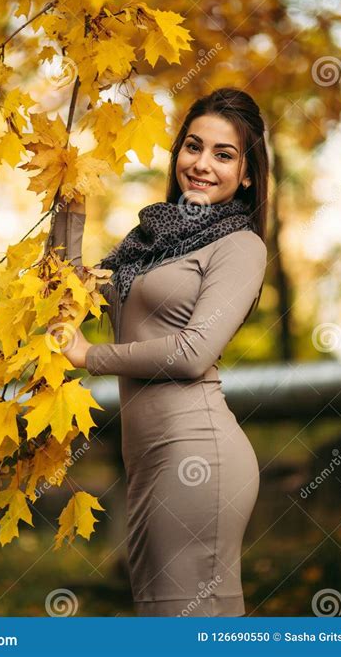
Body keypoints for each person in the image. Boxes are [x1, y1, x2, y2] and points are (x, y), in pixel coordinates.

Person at [48, 87, 269, 616]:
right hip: (147, 459)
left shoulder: (240, 247)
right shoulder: (147, 244)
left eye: (224, 154)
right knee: (171, 622)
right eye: (194, 147)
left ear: (247, 174)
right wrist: (69, 204)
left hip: (197, 453)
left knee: (182, 625)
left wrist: (89, 358)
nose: (201, 164)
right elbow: (67, 295)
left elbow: (193, 353)